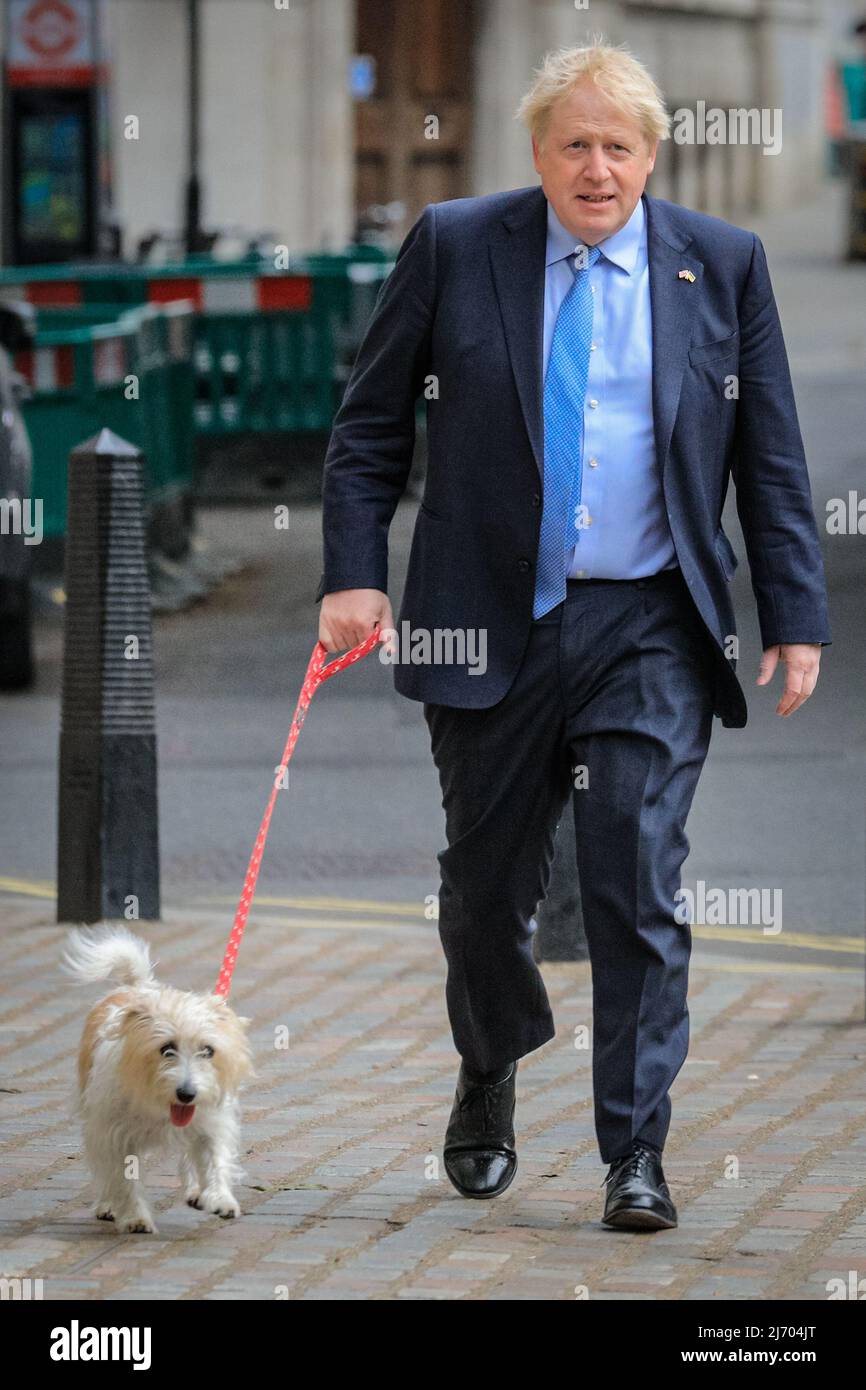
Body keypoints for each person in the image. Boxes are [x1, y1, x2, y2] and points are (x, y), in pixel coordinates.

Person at [314, 40, 830, 1230]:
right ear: (536, 152)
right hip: (484, 619)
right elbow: (369, 426)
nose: (596, 168)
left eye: (618, 145)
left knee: (634, 878)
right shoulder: (454, 244)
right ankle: (489, 1056)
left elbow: (771, 458)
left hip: (648, 619)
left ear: (652, 154)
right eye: (573, 143)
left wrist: (794, 614)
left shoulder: (721, 263)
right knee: (483, 890)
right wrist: (353, 576)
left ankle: (632, 1152)